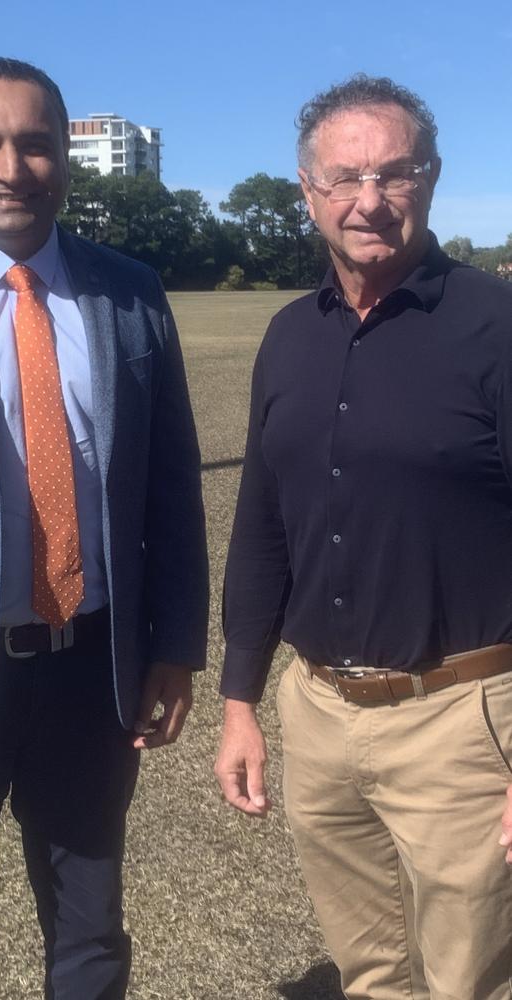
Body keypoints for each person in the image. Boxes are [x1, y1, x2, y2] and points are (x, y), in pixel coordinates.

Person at [0, 56, 208, 1000]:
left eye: (35, 143)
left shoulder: (130, 291)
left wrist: (174, 645)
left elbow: (172, 483)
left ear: (64, 157)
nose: (10, 165)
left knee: (92, 942)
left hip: (90, 672)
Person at [215, 73, 512, 1000]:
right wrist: (240, 701)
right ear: (307, 190)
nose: (368, 201)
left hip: (463, 718)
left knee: (477, 978)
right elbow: (263, 526)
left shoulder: (495, 327)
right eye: (344, 178)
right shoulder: (286, 337)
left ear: (430, 178)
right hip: (320, 714)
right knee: (369, 970)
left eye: (394, 173)